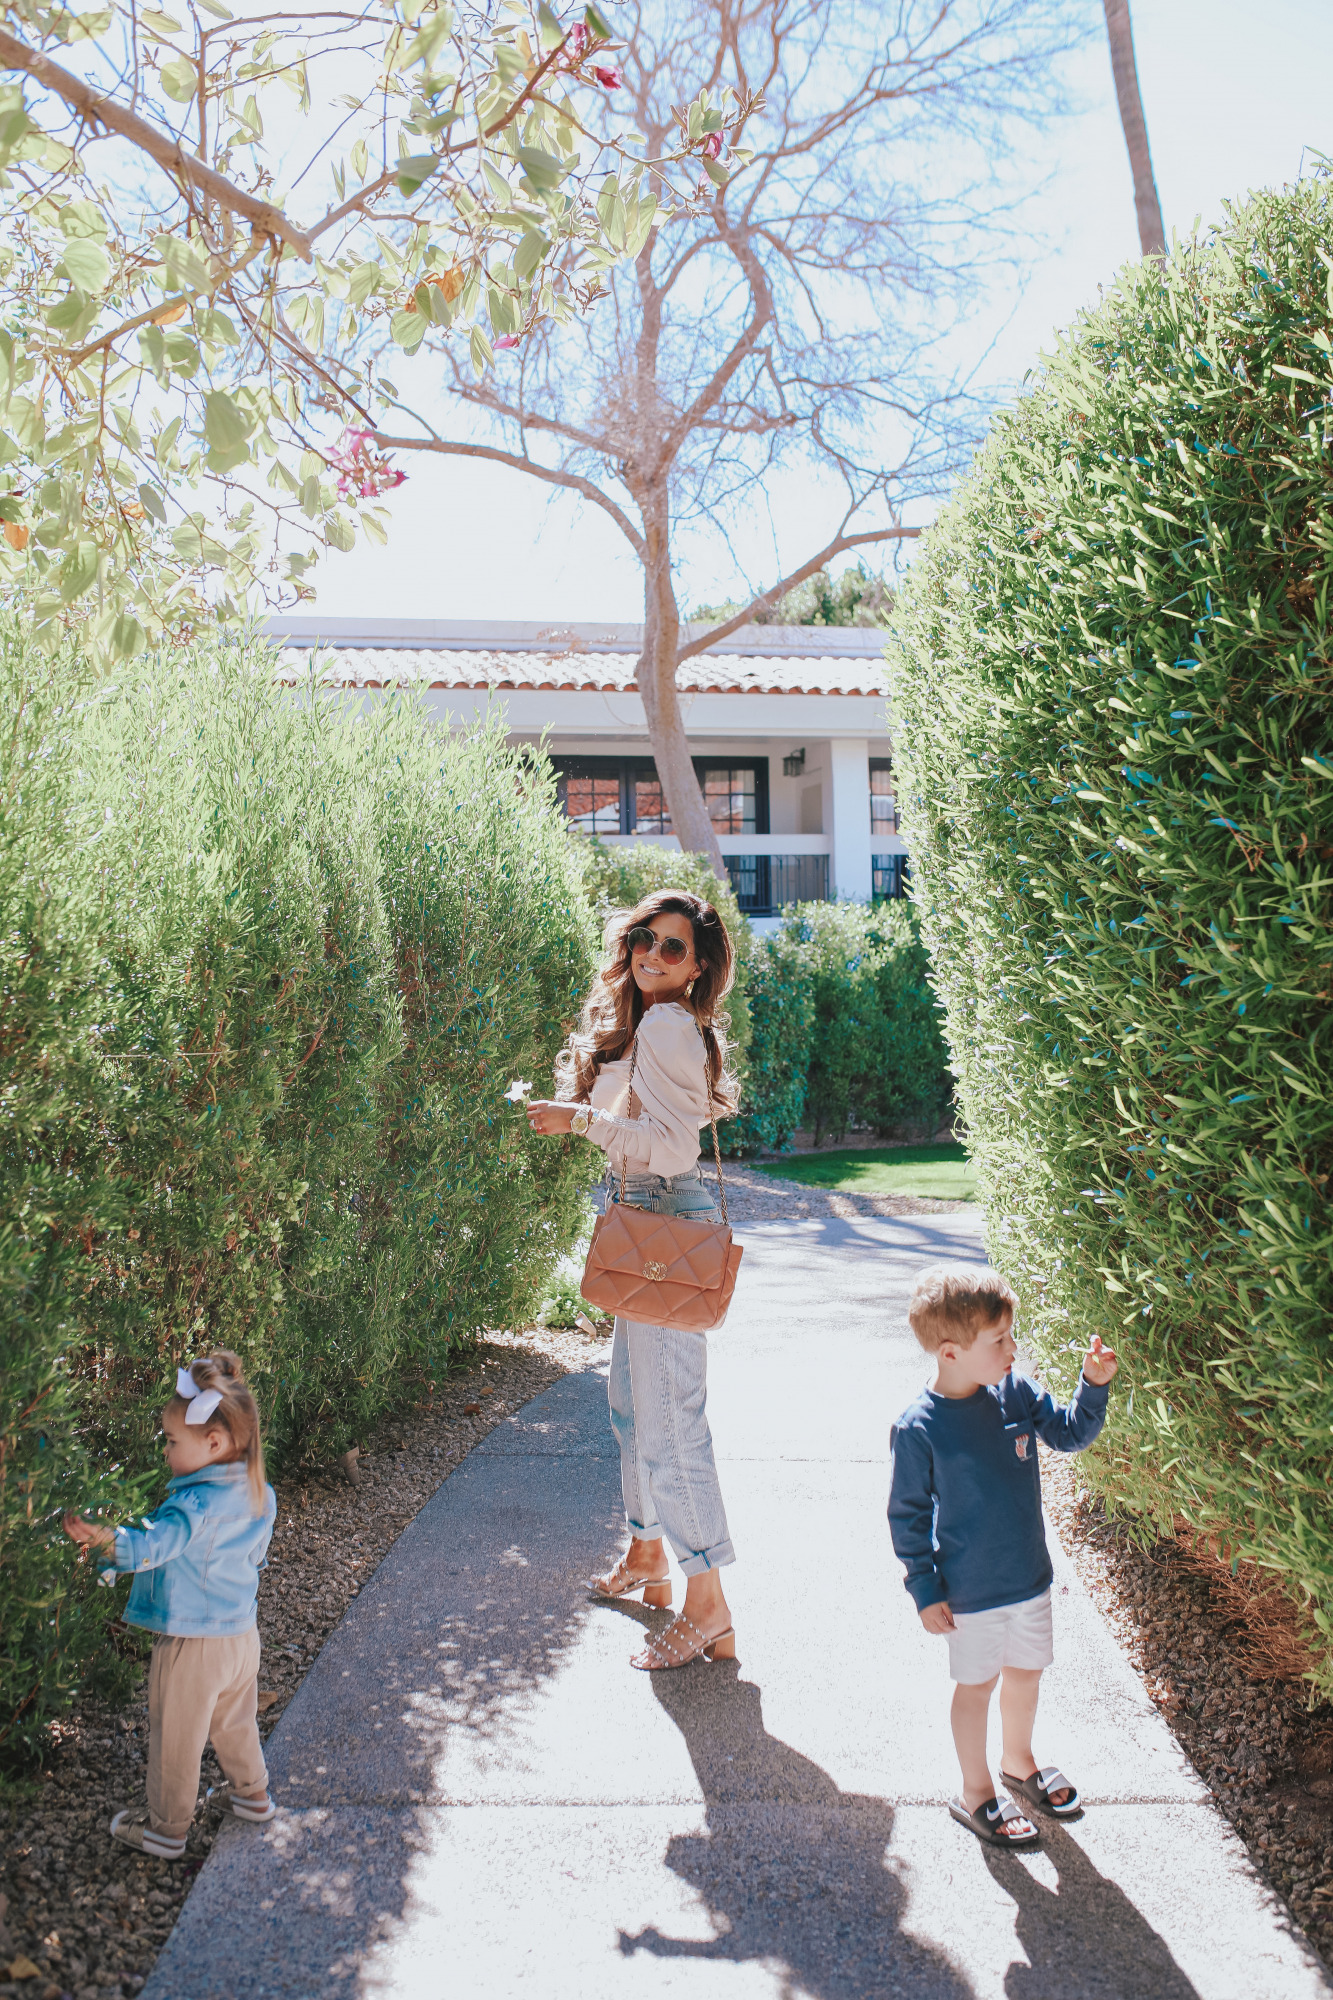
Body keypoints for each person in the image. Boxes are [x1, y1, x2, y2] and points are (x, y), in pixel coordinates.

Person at [524, 888, 739, 1672]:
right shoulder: (647, 1022)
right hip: (645, 1216)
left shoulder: (669, 1023)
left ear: (699, 965)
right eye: (644, 937)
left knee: (672, 1422)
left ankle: (708, 1604)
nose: (652, 953)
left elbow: (673, 1149)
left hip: (666, 1219)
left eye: (673, 947)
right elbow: (646, 1135)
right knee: (629, 1409)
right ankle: (648, 1551)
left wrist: (578, 1120)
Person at [888, 1263, 1117, 1847]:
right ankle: (976, 1791)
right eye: (1000, 1341)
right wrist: (925, 1590)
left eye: (1010, 1336)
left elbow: (1068, 1433)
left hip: (1029, 1580)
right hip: (971, 1595)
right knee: (976, 1688)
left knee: (1026, 1675)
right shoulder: (919, 1429)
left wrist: (1092, 1386)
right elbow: (907, 1518)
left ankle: (1019, 1762)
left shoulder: (1014, 1391)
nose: (1013, 1349)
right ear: (950, 1352)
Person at [63, 1350, 278, 1860]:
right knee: (235, 1721)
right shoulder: (260, 1495)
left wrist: (106, 1541)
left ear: (214, 1442)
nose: (165, 1451)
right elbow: (256, 1558)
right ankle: (252, 1794)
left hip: (192, 1644)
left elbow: (154, 1545)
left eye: (171, 1440)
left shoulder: (192, 1504)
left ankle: (166, 1828)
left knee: (176, 1738)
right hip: (241, 1637)